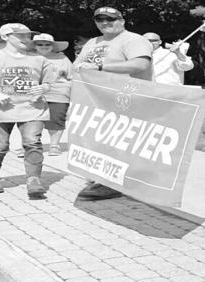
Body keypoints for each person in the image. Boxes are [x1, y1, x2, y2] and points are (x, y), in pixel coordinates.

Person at [70, 7, 153, 200]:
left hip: (128, 99)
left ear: (122, 21)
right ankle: (105, 178)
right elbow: (79, 65)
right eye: (100, 20)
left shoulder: (133, 39)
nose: (105, 23)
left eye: (110, 19)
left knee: (120, 141)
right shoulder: (92, 42)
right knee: (102, 139)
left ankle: (113, 183)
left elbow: (141, 65)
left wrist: (99, 67)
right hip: (98, 100)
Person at [0, 23, 55, 199]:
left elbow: (49, 84)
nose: (26, 39)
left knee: (32, 143)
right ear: (5, 36)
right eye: (20, 36)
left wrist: (43, 89)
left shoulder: (40, 60)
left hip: (32, 110)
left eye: (28, 36)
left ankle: (34, 180)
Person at [32, 34, 72, 157]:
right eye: (40, 44)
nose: (44, 46)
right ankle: (31, 146)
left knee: (56, 120)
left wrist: (71, 96)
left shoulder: (63, 59)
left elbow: (72, 77)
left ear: (53, 46)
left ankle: (54, 145)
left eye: (47, 44)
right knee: (31, 121)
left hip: (58, 93)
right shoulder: (28, 58)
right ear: (34, 46)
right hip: (34, 94)